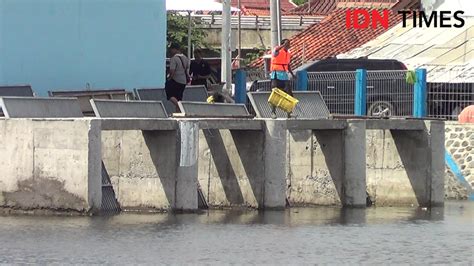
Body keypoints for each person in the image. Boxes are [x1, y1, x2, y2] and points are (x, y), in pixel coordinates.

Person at [270, 39, 296, 118]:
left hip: (284, 75)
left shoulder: (288, 53)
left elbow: (288, 65)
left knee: (289, 94)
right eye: (287, 44)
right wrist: (282, 46)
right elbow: (276, 49)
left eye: (289, 44)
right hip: (275, 75)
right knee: (275, 93)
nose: (289, 45)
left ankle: (289, 112)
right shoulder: (277, 51)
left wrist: (292, 74)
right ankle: (273, 112)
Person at [165, 43, 190, 112]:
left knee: (170, 95)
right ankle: (178, 113)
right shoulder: (185, 58)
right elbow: (187, 70)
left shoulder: (174, 59)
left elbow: (172, 71)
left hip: (175, 80)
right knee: (179, 98)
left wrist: (169, 78)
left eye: (171, 49)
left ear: (175, 49)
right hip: (183, 81)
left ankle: (181, 107)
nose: (171, 51)